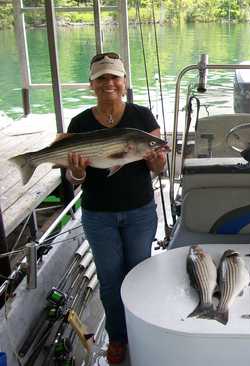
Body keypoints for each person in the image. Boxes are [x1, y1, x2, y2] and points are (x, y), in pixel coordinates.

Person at [66, 52, 167, 364]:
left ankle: (141, 332)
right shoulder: (80, 122)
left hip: (139, 211)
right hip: (98, 215)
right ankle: (119, 337)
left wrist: (155, 158)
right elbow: (74, 177)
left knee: (138, 274)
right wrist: (79, 170)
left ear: (124, 82)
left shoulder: (142, 118)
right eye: (102, 78)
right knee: (110, 281)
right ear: (92, 85)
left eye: (115, 77)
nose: (109, 83)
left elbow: (160, 167)